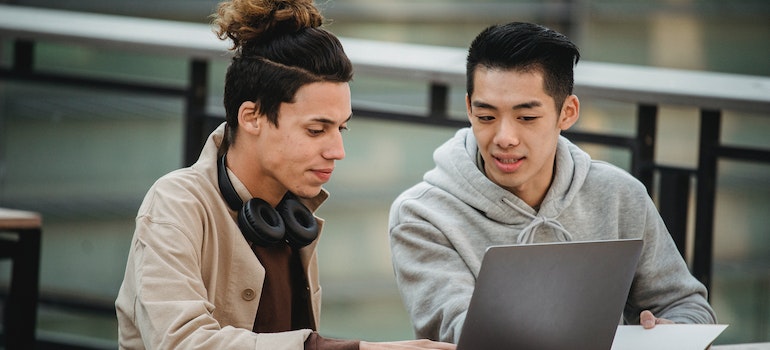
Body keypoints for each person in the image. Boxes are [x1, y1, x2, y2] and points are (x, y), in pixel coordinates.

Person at [115, 0, 456, 349]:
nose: (337, 150)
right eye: (316, 130)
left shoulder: (293, 215)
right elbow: (181, 342)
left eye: (341, 128)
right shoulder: (175, 205)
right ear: (251, 117)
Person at [388, 21, 716, 343]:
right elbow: (462, 333)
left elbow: (687, 304)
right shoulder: (422, 215)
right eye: (486, 116)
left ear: (567, 112)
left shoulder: (618, 194)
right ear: (469, 109)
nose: (504, 138)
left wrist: (669, 331)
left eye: (527, 118)